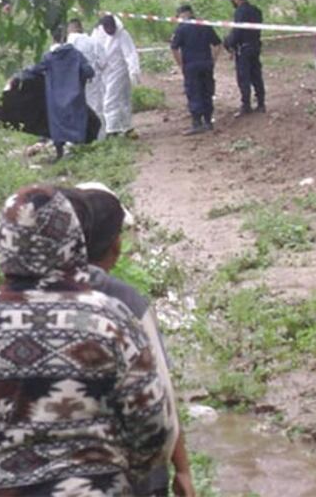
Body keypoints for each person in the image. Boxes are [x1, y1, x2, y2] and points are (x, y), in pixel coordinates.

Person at [0, 185, 175, 495]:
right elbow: (151, 420)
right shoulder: (111, 319)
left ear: (3, 242)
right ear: (72, 241)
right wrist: (128, 474)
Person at [68, 183, 197, 497]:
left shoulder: (29, 300)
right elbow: (162, 391)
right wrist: (182, 468)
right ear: (115, 244)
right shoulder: (127, 301)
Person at [12, 24, 99, 159]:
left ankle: (60, 153)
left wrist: (17, 76)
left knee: (58, 127)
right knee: (76, 123)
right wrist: (79, 79)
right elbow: (89, 71)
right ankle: (78, 150)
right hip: (76, 97)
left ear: (53, 39)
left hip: (56, 99)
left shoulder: (50, 57)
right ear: (66, 38)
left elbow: (34, 70)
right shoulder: (76, 55)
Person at [171, 4, 222, 135]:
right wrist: (213, 60)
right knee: (207, 91)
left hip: (191, 65)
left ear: (181, 15)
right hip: (206, 64)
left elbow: (174, 48)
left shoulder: (181, 29)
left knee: (194, 93)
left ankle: (197, 123)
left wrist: (181, 65)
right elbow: (217, 44)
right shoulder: (204, 25)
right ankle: (208, 121)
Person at [93, 15, 141, 137]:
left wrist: (133, 70)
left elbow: (130, 53)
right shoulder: (99, 34)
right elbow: (96, 50)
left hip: (119, 71)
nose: (110, 30)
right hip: (105, 72)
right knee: (120, 100)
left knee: (111, 100)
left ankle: (112, 129)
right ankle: (126, 127)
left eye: (112, 28)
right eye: (107, 28)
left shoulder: (122, 35)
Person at [223, 0, 265, 115]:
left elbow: (238, 31)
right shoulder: (256, 10)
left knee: (243, 78)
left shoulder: (240, 12)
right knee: (256, 75)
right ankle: (261, 103)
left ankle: (246, 105)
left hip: (243, 49)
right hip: (255, 46)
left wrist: (228, 43)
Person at [67, 18, 107, 138]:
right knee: (96, 107)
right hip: (93, 79)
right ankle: (99, 137)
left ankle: (80, 137)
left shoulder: (70, 41)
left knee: (76, 109)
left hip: (75, 80)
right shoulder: (93, 41)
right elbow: (103, 62)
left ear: (71, 28)